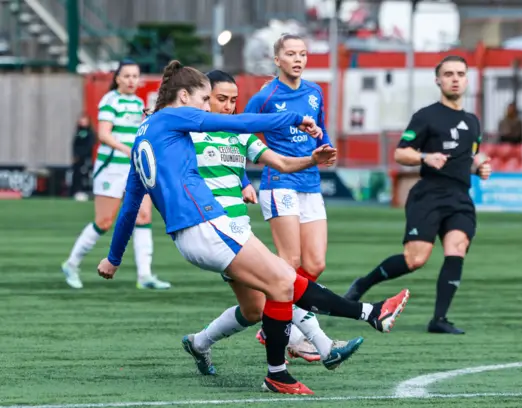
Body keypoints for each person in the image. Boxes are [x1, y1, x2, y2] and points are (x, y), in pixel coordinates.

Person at [96, 60, 410, 395]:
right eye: (205, 100)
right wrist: (295, 117)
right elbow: (243, 122)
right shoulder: (176, 116)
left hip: (193, 234)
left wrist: (113, 258)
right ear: (184, 96)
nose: (207, 108)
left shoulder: (145, 135)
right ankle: (362, 319)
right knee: (284, 282)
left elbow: (130, 204)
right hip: (207, 224)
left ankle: (291, 364)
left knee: (279, 288)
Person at [182, 69, 363, 374]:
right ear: (204, 99)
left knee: (254, 310)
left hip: (239, 231)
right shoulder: (188, 133)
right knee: (282, 279)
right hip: (215, 234)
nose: (228, 106)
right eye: (221, 99)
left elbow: (278, 161)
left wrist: (311, 160)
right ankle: (324, 345)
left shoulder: (239, 132)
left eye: (233, 100)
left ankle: (199, 343)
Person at [344, 55, 491, 335]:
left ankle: (439, 320)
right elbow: (401, 152)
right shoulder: (427, 116)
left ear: (467, 79)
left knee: (456, 248)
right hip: (429, 195)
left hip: (460, 197)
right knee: (415, 260)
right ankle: (364, 284)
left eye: (460, 73)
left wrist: (479, 166)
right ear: (438, 80)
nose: (455, 78)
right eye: (448, 74)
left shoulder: (472, 121)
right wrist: (425, 156)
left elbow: (469, 156)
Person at [243, 34, 335, 357]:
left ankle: (274, 317)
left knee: (315, 263)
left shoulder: (314, 92)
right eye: (291, 54)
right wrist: (242, 179)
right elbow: (238, 136)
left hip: (310, 182)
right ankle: (280, 330)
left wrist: (325, 144)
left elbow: (321, 129)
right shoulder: (265, 97)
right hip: (278, 181)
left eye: (303, 54)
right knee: (290, 262)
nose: (298, 59)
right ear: (277, 60)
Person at [61, 59, 170, 290]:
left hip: (135, 168)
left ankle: (145, 275)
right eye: (127, 76)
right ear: (117, 78)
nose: (131, 80)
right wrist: (129, 149)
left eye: (135, 76)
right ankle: (72, 264)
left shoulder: (139, 102)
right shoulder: (110, 100)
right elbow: (104, 134)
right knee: (104, 221)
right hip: (111, 167)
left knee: (143, 217)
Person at [69, 112, 95, 201]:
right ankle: (75, 191)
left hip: (85, 158)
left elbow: (89, 146)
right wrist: (75, 155)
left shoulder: (90, 133)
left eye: (84, 119)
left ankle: (85, 192)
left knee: (84, 175)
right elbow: (74, 145)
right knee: (76, 175)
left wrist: (82, 155)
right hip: (77, 159)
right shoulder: (78, 132)